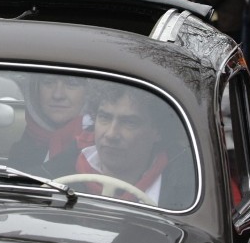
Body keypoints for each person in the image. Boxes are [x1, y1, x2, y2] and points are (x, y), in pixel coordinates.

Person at [42, 86, 194, 208]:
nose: (111, 134)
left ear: (158, 131)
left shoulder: (187, 191)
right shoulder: (51, 177)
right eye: (104, 117)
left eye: (129, 122)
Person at [8, 75, 92, 169]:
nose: (57, 95)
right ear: (35, 90)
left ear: (89, 93)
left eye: (72, 83)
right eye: (48, 82)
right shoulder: (24, 146)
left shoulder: (98, 146)